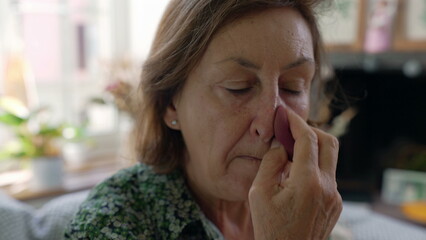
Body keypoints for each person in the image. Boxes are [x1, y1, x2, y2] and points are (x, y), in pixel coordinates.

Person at [65, 0, 342, 239]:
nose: (269, 124)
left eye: (293, 86)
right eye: (238, 87)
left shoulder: (308, 208)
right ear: (171, 103)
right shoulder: (109, 224)